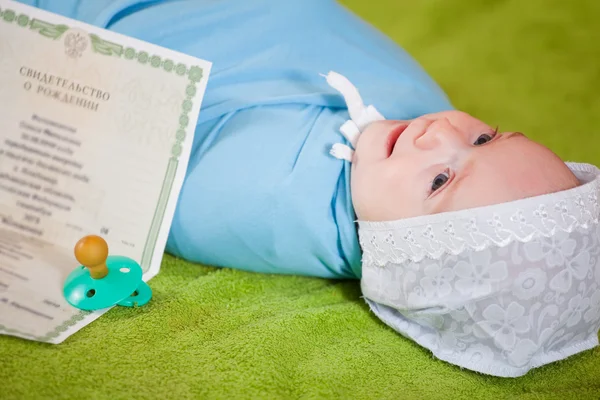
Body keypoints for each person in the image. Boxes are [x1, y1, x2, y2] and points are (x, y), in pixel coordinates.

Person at [17, 0, 600, 378]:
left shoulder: (267, 198)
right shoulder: (403, 152)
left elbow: (154, 181)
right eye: (486, 137)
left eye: (442, 180)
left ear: (410, 258)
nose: (440, 130)